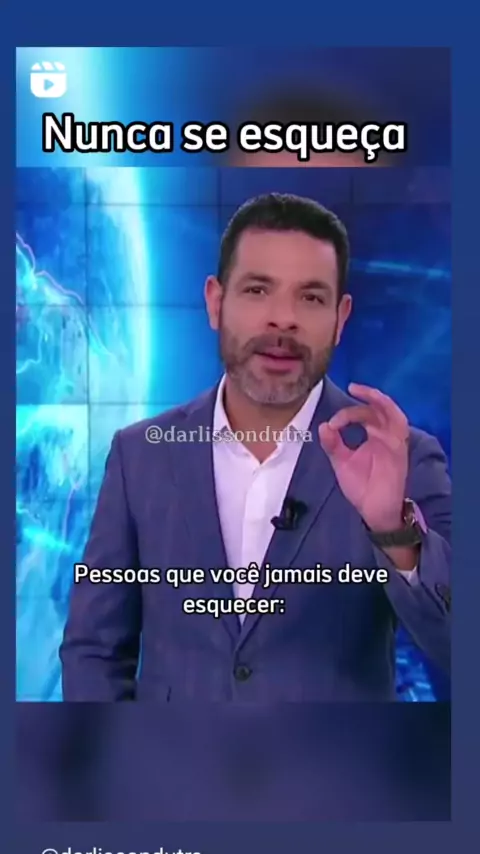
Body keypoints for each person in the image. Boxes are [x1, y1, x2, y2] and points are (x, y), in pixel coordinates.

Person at [60, 193, 451, 702]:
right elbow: (93, 651)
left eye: (311, 298)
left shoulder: (400, 458)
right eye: (258, 290)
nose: (282, 319)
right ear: (215, 302)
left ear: (340, 317)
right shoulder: (141, 457)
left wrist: (393, 531)